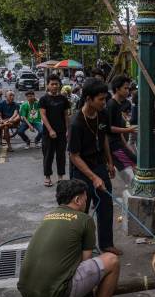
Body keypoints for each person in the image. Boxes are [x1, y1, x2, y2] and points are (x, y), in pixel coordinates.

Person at [17, 179, 125, 297]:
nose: (86, 203)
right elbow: (85, 261)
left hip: (28, 295)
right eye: (86, 199)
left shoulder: (48, 216)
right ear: (78, 200)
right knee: (111, 260)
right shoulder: (85, 220)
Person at [68, 78, 121, 255]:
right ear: (88, 99)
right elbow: (74, 156)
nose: (104, 102)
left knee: (106, 205)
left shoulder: (102, 114)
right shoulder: (76, 123)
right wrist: (93, 177)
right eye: (100, 99)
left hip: (100, 165)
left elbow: (104, 137)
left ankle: (106, 244)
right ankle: (81, 248)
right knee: (81, 211)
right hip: (82, 170)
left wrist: (110, 162)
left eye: (105, 98)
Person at [40, 75, 70, 187]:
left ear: (59, 85)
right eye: (52, 84)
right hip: (48, 133)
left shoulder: (63, 99)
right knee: (48, 155)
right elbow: (43, 115)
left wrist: (67, 130)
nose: (54, 86)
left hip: (61, 132)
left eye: (56, 84)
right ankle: (47, 177)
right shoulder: (44, 99)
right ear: (48, 85)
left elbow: (66, 115)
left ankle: (61, 176)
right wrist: (50, 130)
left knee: (61, 155)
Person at [107, 75, 137, 184]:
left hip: (119, 144)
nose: (128, 91)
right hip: (114, 146)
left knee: (135, 164)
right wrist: (128, 131)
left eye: (128, 88)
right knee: (129, 174)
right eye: (125, 88)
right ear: (117, 89)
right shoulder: (111, 105)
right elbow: (109, 128)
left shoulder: (118, 104)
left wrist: (126, 145)